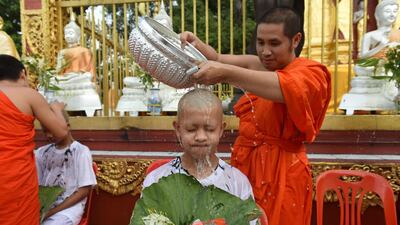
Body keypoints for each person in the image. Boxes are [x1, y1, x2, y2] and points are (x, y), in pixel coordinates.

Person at [180, 7, 331, 225]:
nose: (265, 51)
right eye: (260, 43)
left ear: (295, 40)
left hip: (284, 173)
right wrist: (197, 45)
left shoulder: (310, 73)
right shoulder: (257, 66)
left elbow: (284, 88)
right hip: (247, 168)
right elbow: (217, 58)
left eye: (274, 43)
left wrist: (226, 73)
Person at [143, 88, 254, 202]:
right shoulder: (157, 180)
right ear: (178, 129)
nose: (201, 137)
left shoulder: (236, 182)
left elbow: (248, 218)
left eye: (210, 129)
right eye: (191, 130)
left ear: (221, 130)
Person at [0, 54, 69, 225]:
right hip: (16, 179)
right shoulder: (28, 95)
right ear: (22, 74)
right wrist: (56, 108)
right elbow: (60, 132)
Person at [35, 110, 97, 225]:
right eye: (45, 131)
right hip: (42, 209)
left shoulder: (81, 152)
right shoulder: (41, 153)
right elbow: (36, 186)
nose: (48, 135)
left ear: (67, 126)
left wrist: (51, 212)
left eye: (52, 130)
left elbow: (83, 191)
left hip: (68, 210)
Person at [51, 14, 101, 117]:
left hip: (79, 78)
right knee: (52, 81)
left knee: (86, 78)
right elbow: (59, 70)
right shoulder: (62, 52)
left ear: (78, 36)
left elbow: (89, 72)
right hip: (66, 78)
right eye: (66, 33)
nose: (68, 36)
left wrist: (78, 75)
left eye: (71, 33)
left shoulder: (85, 51)